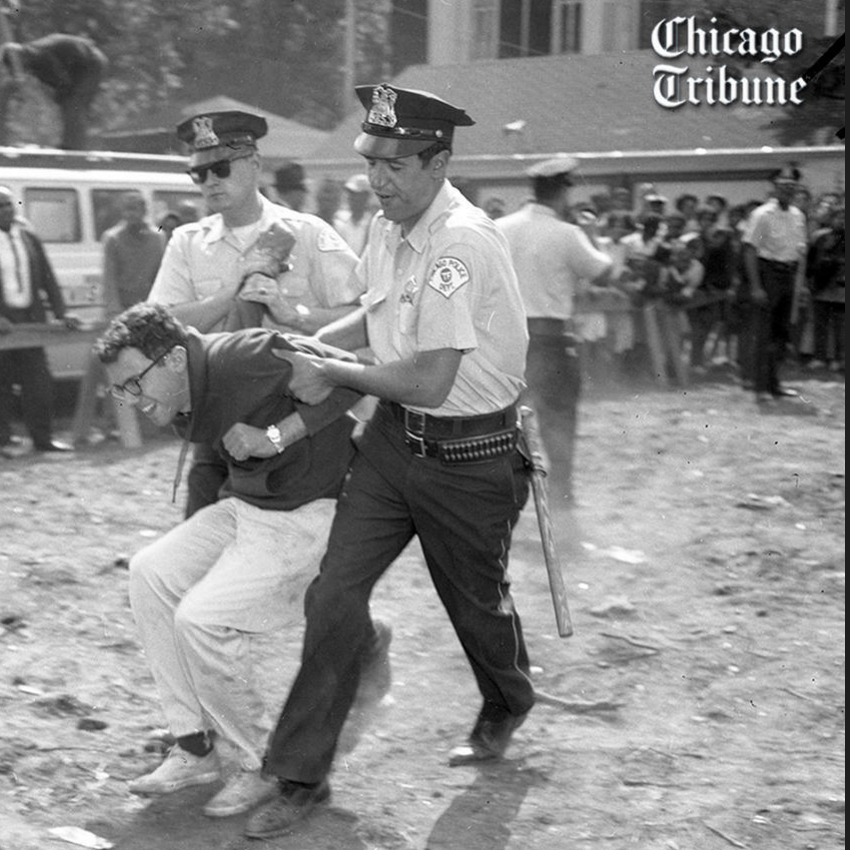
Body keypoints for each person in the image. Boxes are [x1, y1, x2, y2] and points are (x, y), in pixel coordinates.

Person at [244, 83, 534, 840]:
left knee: (475, 605)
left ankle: (507, 699)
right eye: (369, 160)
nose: (376, 179)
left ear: (440, 162)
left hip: (471, 456)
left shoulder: (461, 242)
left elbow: (430, 376)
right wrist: (313, 336)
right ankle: (300, 776)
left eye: (395, 165)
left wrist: (333, 370)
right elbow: (376, 322)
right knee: (332, 595)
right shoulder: (386, 224)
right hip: (392, 445)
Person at [94, 302, 363, 818]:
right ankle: (195, 746)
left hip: (309, 511)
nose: (129, 401)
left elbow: (351, 376)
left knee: (201, 618)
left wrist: (278, 435)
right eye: (120, 389)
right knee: (150, 571)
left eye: (134, 384)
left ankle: (257, 762)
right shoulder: (182, 387)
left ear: (174, 360)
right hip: (251, 507)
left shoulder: (246, 354)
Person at [146, 110, 361, 517]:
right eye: (199, 173)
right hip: (218, 423)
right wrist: (229, 294)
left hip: (295, 422)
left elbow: (363, 317)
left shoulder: (308, 233)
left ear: (255, 164)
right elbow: (162, 328)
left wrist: (293, 313)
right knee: (198, 541)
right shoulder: (188, 243)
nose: (210, 181)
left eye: (221, 168)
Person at [497, 157, 611, 505]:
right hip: (550, 338)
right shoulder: (567, 233)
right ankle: (561, 499)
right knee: (558, 420)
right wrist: (592, 236)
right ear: (562, 190)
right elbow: (602, 272)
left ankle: (502, 498)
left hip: (507, 340)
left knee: (502, 423)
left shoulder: (500, 227)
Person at [0, 185, 76, 455]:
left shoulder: (29, 237)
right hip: (3, 326)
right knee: (2, 386)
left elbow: (47, 279)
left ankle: (43, 439)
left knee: (39, 383)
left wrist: (62, 313)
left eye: (9, 204)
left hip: (31, 321)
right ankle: (4, 442)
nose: (7, 210)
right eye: (1, 206)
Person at [741, 164, 808, 404]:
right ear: (774, 187)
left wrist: (800, 285)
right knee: (764, 333)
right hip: (768, 273)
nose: (787, 191)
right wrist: (756, 286)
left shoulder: (798, 215)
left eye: (792, 187)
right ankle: (761, 388)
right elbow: (750, 250)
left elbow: (799, 251)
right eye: (783, 186)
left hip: (790, 275)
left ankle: (775, 384)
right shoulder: (762, 215)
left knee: (781, 333)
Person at [101, 191, 164, 317]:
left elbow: (161, 273)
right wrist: (114, 310)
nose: (130, 214)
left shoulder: (157, 238)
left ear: (144, 211)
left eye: (134, 209)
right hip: (123, 306)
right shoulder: (113, 238)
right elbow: (109, 277)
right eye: (127, 210)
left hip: (150, 304)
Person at [806, 204, 844, 372]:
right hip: (820, 286)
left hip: (841, 288)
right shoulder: (819, 237)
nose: (842, 221)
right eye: (839, 217)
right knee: (820, 325)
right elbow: (810, 261)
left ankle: (838, 358)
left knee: (841, 327)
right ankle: (819, 357)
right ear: (831, 218)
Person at [333, 172, 374, 254]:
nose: (352, 198)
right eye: (351, 194)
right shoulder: (340, 222)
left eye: (357, 194)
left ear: (366, 196)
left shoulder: (373, 224)